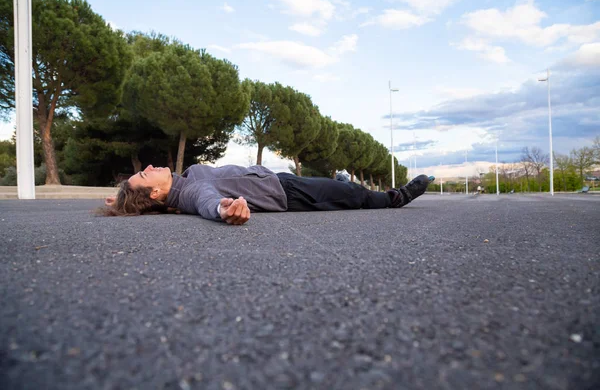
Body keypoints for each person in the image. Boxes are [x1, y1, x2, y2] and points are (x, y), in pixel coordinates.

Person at [100, 164, 434, 225]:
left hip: (280, 181)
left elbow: (149, 200)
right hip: (286, 193)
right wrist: (223, 209)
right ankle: (396, 197)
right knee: (352, 194)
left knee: (343, 190)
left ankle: (355, 187)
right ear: (156, 191)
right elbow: (205, 200)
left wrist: (126, 202)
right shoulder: (189, 190)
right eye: (145, 174)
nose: (150, 166)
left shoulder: (178, 188)